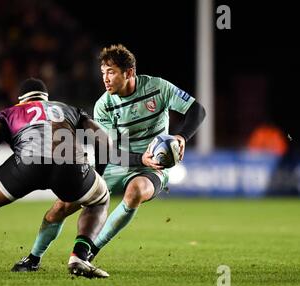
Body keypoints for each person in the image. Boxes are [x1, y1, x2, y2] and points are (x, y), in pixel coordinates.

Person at [0, 77, 148, 280]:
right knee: (99, 198)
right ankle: (79, 256)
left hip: (27, 164)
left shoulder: (8, 113)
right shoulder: (67, 109)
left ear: (21, 100)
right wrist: (101, 176)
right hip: (69, 162)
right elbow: (104, 141)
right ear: (46, 97)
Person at [12, 44, 206, 272]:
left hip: (152, 167)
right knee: (62, 206)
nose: (105, 78)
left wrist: (182, 137)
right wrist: (130, 163)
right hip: (117, 162)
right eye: (103, 73)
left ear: (129, 72)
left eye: (111, 72)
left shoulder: (157, 87)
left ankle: (90, 251)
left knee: (135, 192)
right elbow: (108, 152)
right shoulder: (104, 105)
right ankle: (33, 258)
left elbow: (197, 110)